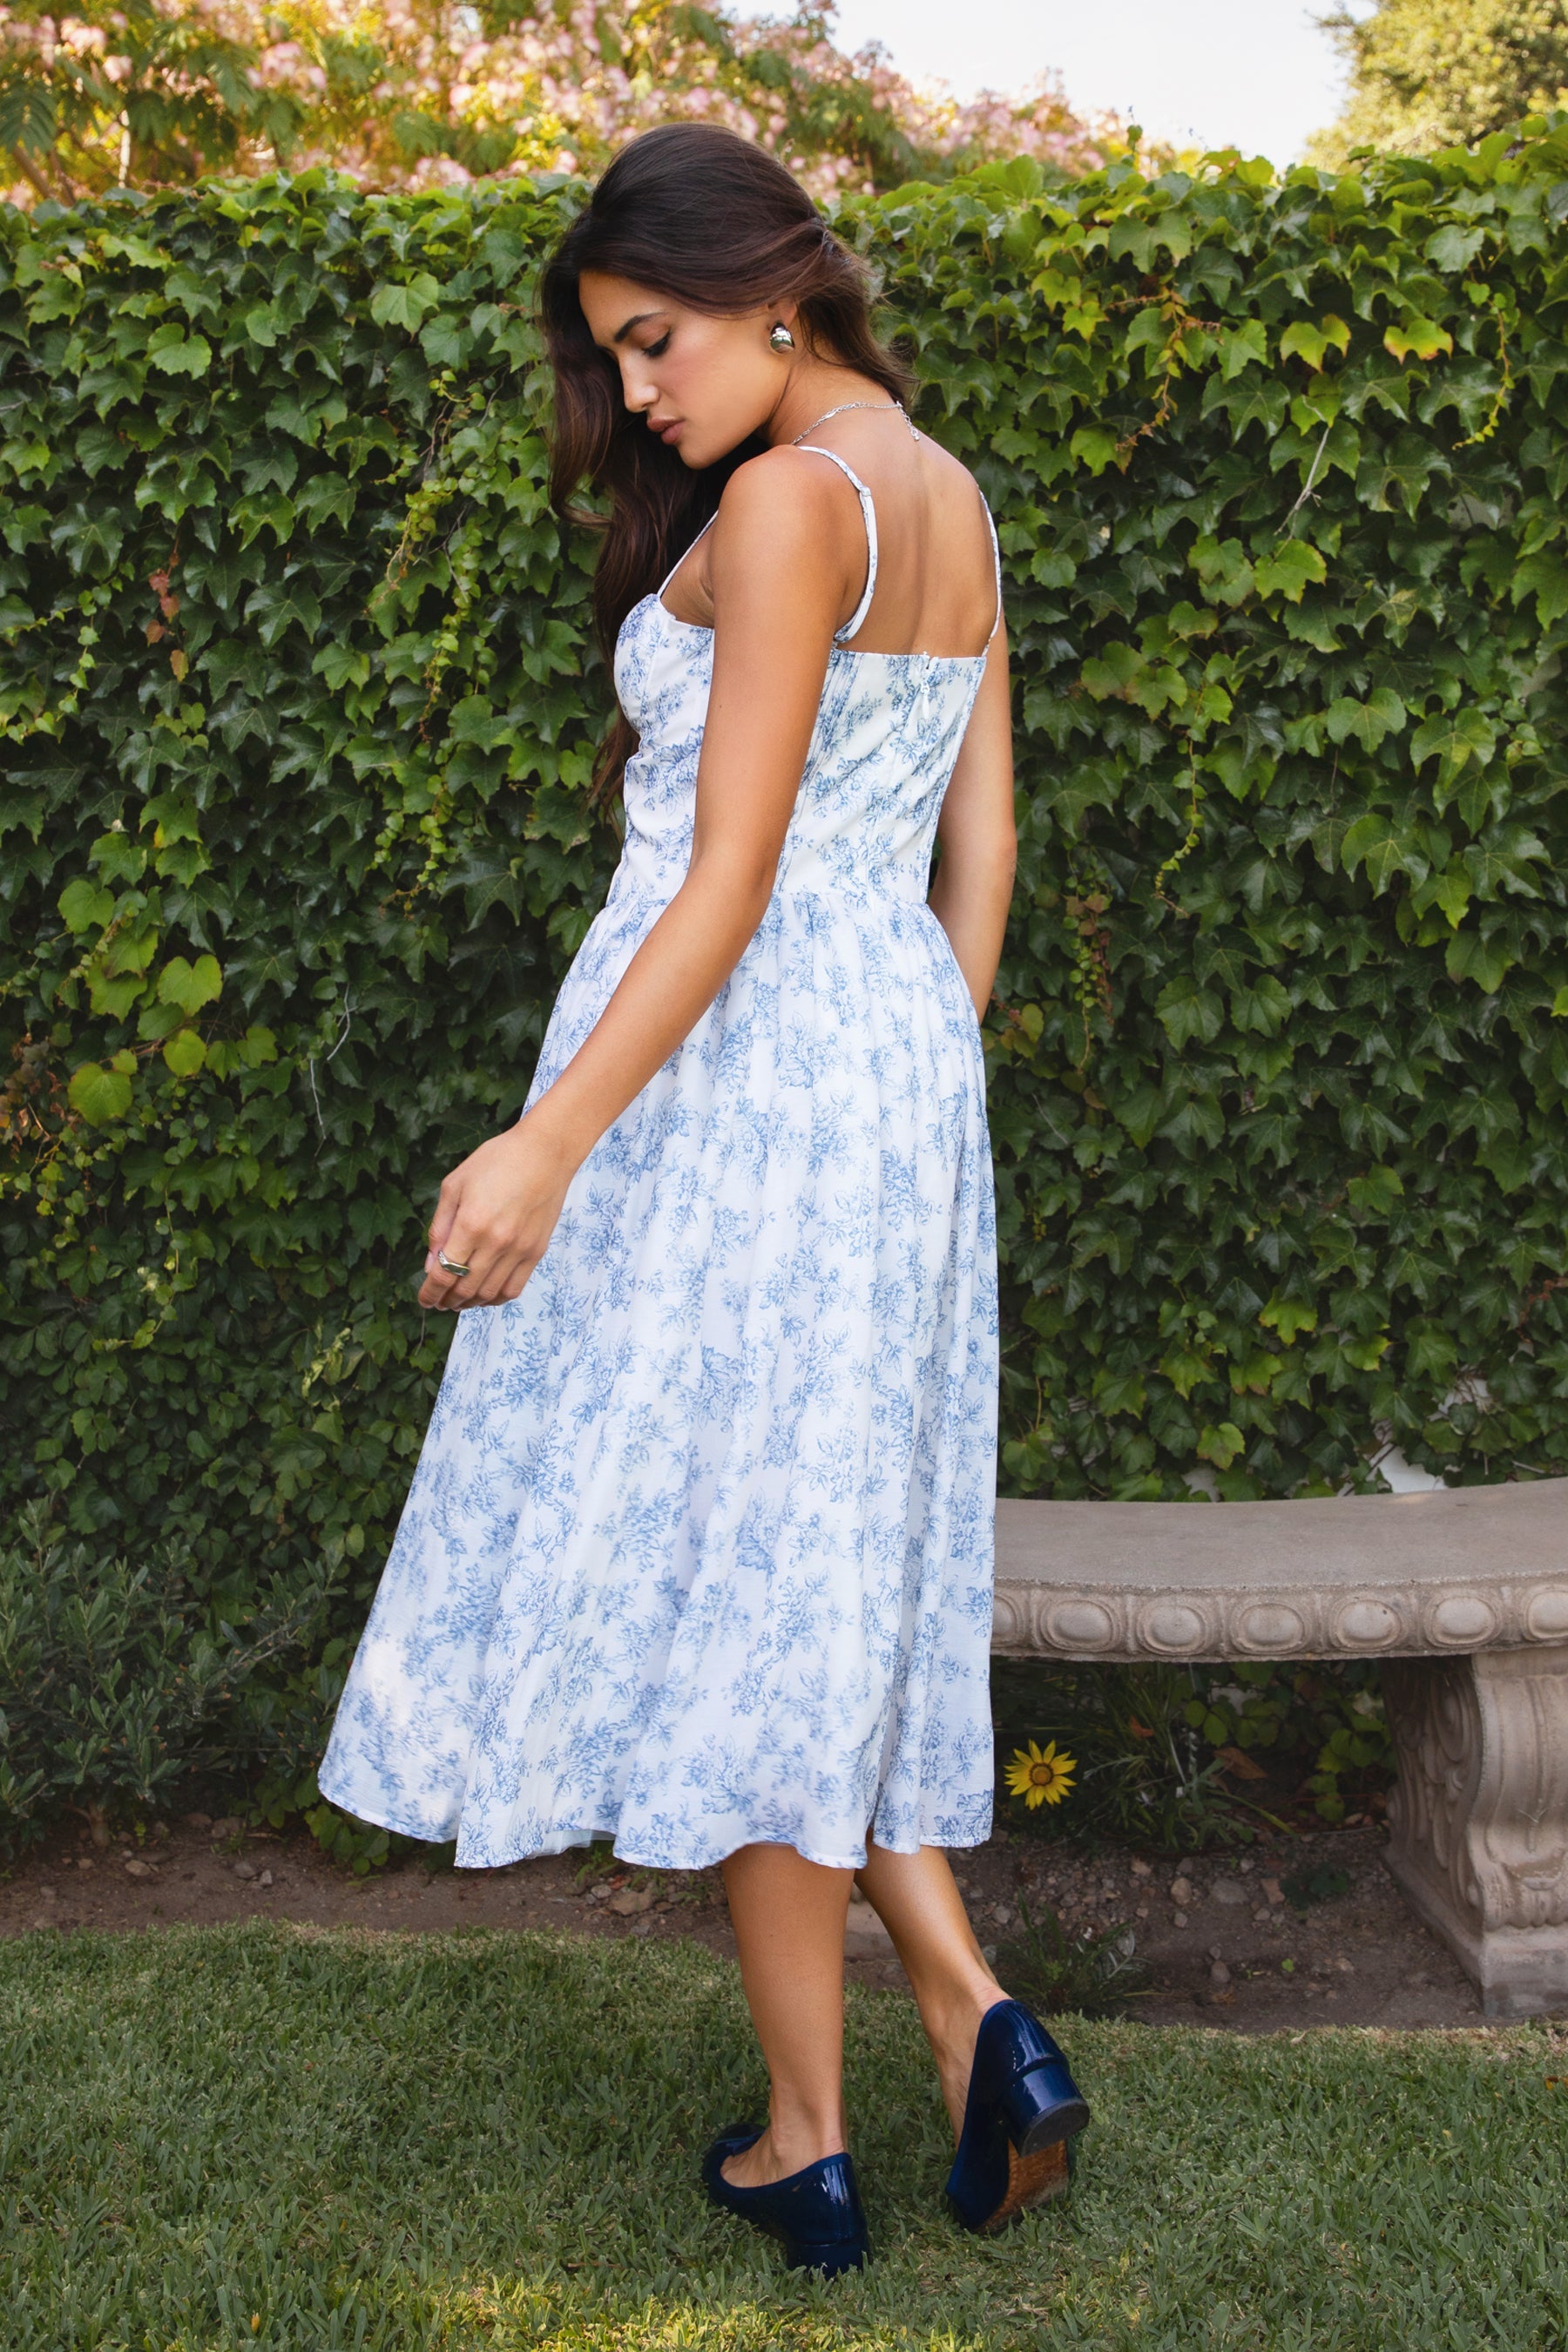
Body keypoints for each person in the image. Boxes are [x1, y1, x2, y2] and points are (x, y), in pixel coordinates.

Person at [317, 119, 1090, 2274]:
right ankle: (967, 2022)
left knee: (754, 1589)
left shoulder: (784, 508)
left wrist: (549, 1137)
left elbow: (729, 874)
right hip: (886, 1073)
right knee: (806, 1573)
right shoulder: (951, 495)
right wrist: (910, 1088)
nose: (641, 392)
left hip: (724, 1071)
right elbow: (983, 853)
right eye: (619, 357)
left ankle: (808, 2141)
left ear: (772, 286)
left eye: (654, 342)